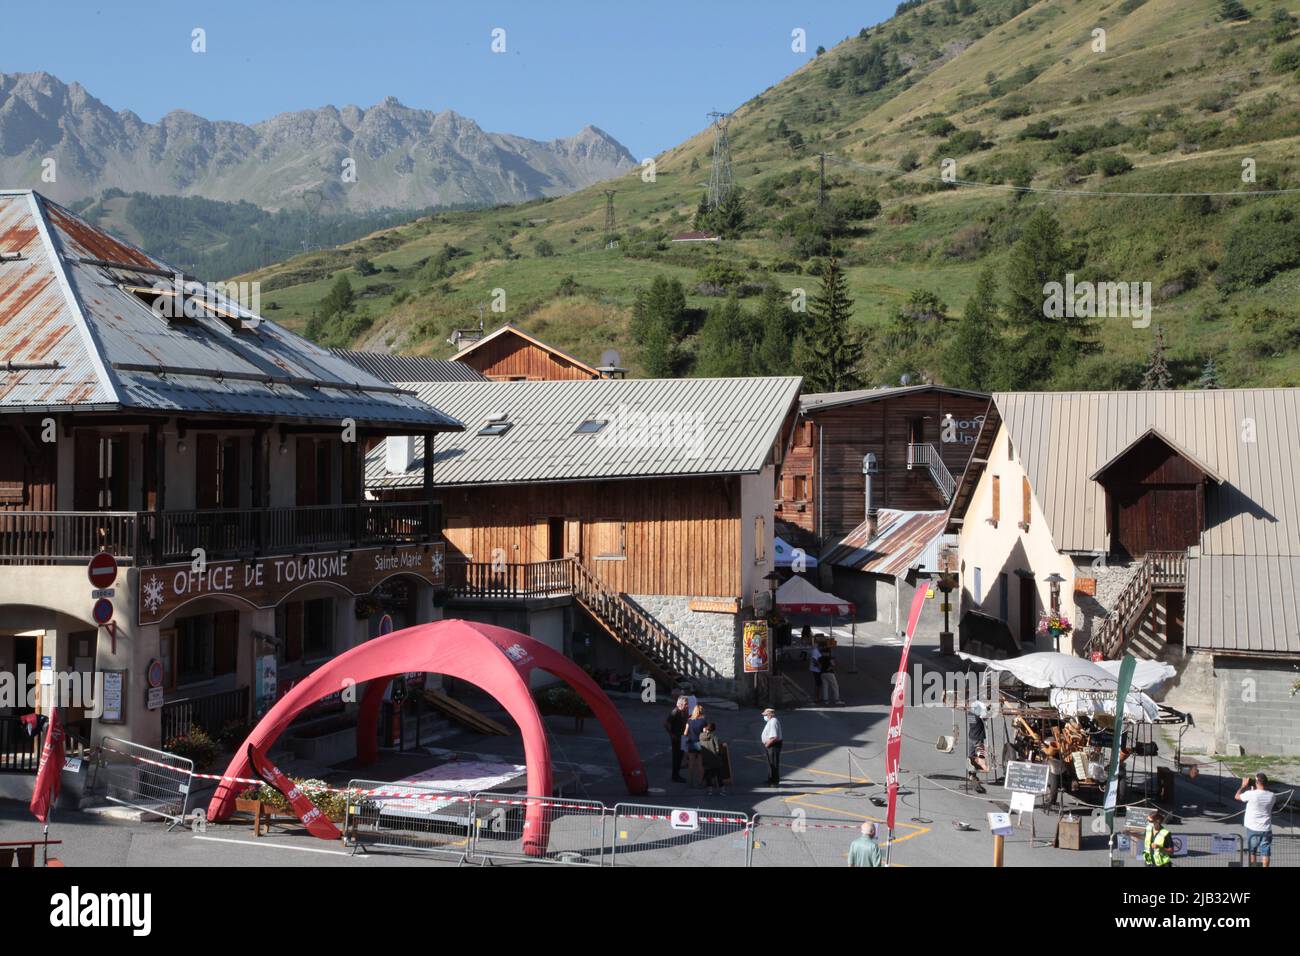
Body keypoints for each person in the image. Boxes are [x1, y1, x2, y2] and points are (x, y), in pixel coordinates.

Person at [1236, 772, 1276, 867]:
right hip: (1266, 828)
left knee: (1252, 851)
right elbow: (1262, 797)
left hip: (1253, 828)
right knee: (1265, 852)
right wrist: (1253, 791)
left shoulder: (1251, 794)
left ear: (1257, 782)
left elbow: (1237, 796)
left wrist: (1243, 786)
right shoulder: (1272, 796)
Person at [664, 696, 689, 783]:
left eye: (687, 704)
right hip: (676, 738)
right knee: (676, 757)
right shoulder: (675, 712)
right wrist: (672, 734)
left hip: (683, 737)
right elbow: (666, 723)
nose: (687, 706)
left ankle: (677, 775)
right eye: (686, 704)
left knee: (680, 757)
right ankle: (675, 776)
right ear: (680, 704)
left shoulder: (684, 712)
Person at [682, 704, 707, 787]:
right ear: (701, 712)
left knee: (691, 763)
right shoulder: (703, 721)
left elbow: (685, 733)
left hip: (691, 743)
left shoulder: (689, 720)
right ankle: (701, 782)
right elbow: (705, 733)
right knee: (700, 764)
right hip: (700, 744)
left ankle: (690, 782)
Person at [699, 722, 727, 796]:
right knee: (719, 775)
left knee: (708, 775)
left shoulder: (701, 736)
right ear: (713, 729)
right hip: (715, 759)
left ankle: (710, 791)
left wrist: (704, 731)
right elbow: (717, 748)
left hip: (706, 759)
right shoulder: (714, 736)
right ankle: (722, 790)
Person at [761, 707, 783, 785]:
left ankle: (774, 781)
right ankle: (770, 779)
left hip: (773, 745)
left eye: (766, 715)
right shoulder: (771, 721)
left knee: (773, 763)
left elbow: (774, 737)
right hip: (771, 744)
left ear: (770, 714)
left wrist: (767, 744)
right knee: (771, 763)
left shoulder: (773, 722)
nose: (764, 716)